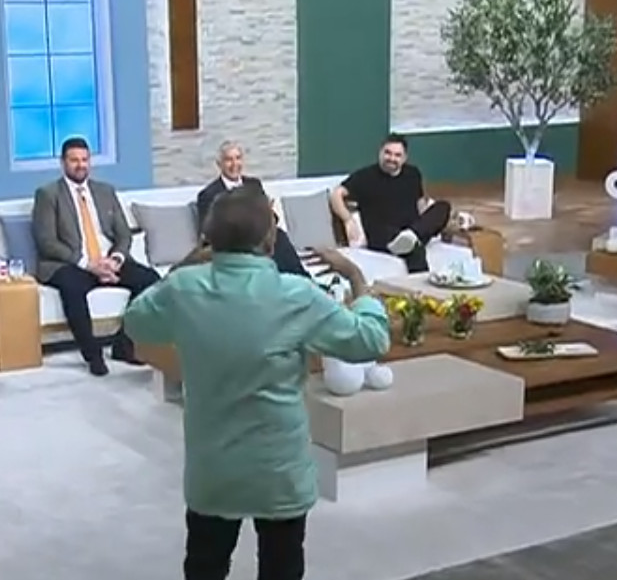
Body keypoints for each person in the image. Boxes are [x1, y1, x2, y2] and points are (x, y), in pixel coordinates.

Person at [122, 187, 390, 580]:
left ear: (209, 238)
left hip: (213, 470)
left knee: (205, 567)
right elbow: (372, 340)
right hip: (279, 470)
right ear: (270, 239)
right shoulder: (297, 294)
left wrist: (187, 263)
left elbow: (136, 322)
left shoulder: (183, 289)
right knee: (282, 568)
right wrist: (355, 277)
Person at [31, 136, 159, 376]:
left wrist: (115, 260)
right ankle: (93, 355)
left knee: (151, 280)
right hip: (71, 263)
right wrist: (88, 264)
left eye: (84, 159)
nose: (80, 165)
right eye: (74, 160)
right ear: (63, 163)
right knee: (72, 288)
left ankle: (124, 345)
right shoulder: (48, 195)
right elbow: (47, 242)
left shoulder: (105, 191)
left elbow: (123, 234)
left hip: (108, 259)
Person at [330, 133, 451, 273]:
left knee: (443, 206)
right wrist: (348, 219)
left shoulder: (413, 174)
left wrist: (426, 222)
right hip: (383, 233)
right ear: (380, 153)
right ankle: (419, 281)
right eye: (388, 153)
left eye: (397, 155)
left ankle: (412, 235)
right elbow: (336, 194)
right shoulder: (365, 176)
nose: (392, 158)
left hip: (411, 228)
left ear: (405, 158)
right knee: (414, 249)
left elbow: (420, 204)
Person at [195, 141, 308, 277]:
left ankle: (301, 278)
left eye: (238, 158)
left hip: (257, 238)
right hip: (232, 244)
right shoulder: (208, 194)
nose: (234, 164)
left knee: (279, 236)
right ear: (219, 164)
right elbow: (208, 232)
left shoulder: (254, 184)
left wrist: (268, 211)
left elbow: (269, 218)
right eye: (229, 160)